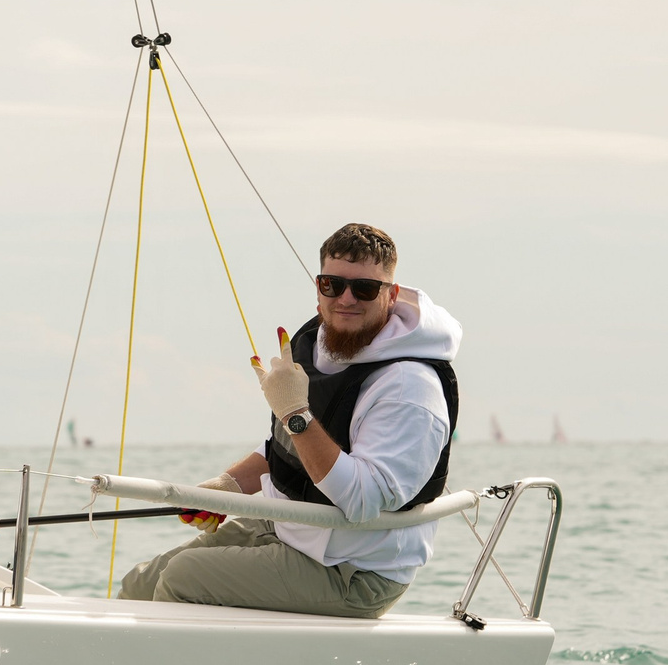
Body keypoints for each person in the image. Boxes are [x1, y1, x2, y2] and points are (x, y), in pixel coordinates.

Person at [119, 222, 459, 619]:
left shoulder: (408, 388)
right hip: (290, 530)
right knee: (139, 584)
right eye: (332, 284)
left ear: (391, 294)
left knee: (183, 579)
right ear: (318, 288)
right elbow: (286, 450)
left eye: (364, 288)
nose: (346, 298)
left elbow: (363, 499)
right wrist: (225, 488)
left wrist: (296, 413)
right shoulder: (318, 347)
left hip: (353, 569)